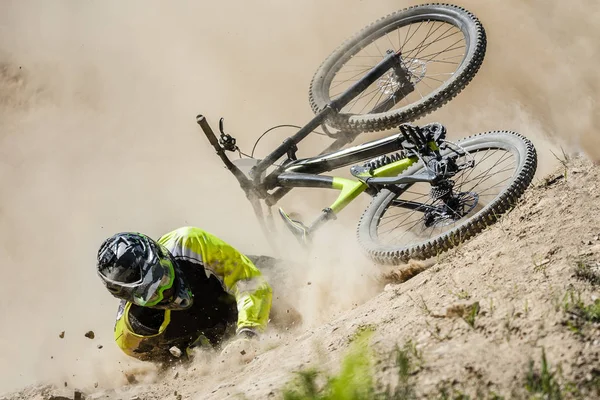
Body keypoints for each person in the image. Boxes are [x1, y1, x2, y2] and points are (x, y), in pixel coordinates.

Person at [96, 226, 273, 361]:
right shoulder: (131, 337)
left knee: (285, 279)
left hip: (243, 290)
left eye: (162, 277)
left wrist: (249, 333)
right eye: (150, 295)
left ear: (162, 255)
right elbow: (169, 364)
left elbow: (248, 280)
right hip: (211, 332)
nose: (166, 294)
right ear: (130, 299)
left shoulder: (189, 242)